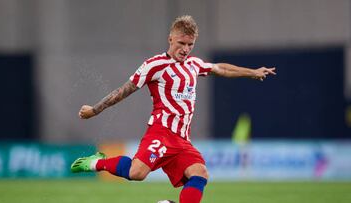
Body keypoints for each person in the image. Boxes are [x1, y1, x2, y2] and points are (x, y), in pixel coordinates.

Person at [71, 15, 276, 203]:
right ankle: (97, 163)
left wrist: (252, 72)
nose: (185, 49)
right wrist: (94, 110)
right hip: (161, 133)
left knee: (200, 173)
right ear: (170, 39)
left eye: (190, 44)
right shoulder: (155, 65)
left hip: (182, 140)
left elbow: (220, 68)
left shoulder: (194, 65)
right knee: (137, 173)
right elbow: (123, 90)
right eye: (181, 43)